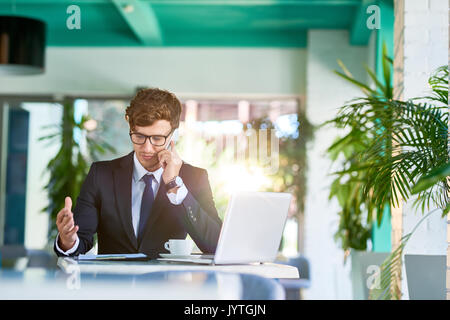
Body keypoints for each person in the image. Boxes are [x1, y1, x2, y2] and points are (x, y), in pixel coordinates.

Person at [54, 88, 223, 259]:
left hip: (167, 284)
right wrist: (68, 241)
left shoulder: (194, 178)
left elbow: (216, 245)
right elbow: (80, 240)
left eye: (157, 139)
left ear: (173, 134)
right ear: (130, 128)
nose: (147, 148)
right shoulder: (101, 175)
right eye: (139, 136)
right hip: (112, 284)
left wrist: (174, 184)